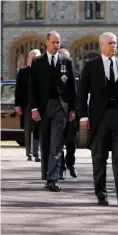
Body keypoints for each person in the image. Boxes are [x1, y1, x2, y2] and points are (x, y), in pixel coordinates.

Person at [78, 32, 118, 206]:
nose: (113, 46)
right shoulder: (91, 66)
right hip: (99, 118)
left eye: (115, 43)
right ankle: (101, 195)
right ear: (101, 45)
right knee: (99, 158)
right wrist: (83, 117)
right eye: (110, 43)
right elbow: (82, 93)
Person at [29, 31, 77, 191]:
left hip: (60, 107)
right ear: (47, 42)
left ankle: (53, 178)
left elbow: (72, 88)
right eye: (54, 42)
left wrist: (72, 109)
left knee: (57, 143)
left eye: (58, 42)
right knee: (45, 142)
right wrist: (34, 108)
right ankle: (46, 175)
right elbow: (32, 88)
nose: (57, 45)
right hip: (43, 108)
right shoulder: (38, 62)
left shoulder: (66, 61)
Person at [15, 49, 41, 162]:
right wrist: (18, 105)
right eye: (32, 57)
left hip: (40, 104)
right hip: (27, 104)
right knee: (28, 129)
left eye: (37, 57)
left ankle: (37, 153)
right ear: (28, 59)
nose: (34, 59)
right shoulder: (23, 72)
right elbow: (18, 90)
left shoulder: (43, 71)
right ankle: (29, 153)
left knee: (39, 129)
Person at [57, 48, 78, 180]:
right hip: (59, 111)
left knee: (71, 141)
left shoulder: (77, 75)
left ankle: (71, 164)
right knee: (58, 141)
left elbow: (79, 94)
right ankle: (61, 167)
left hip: (72, 113)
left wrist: (75, 110)